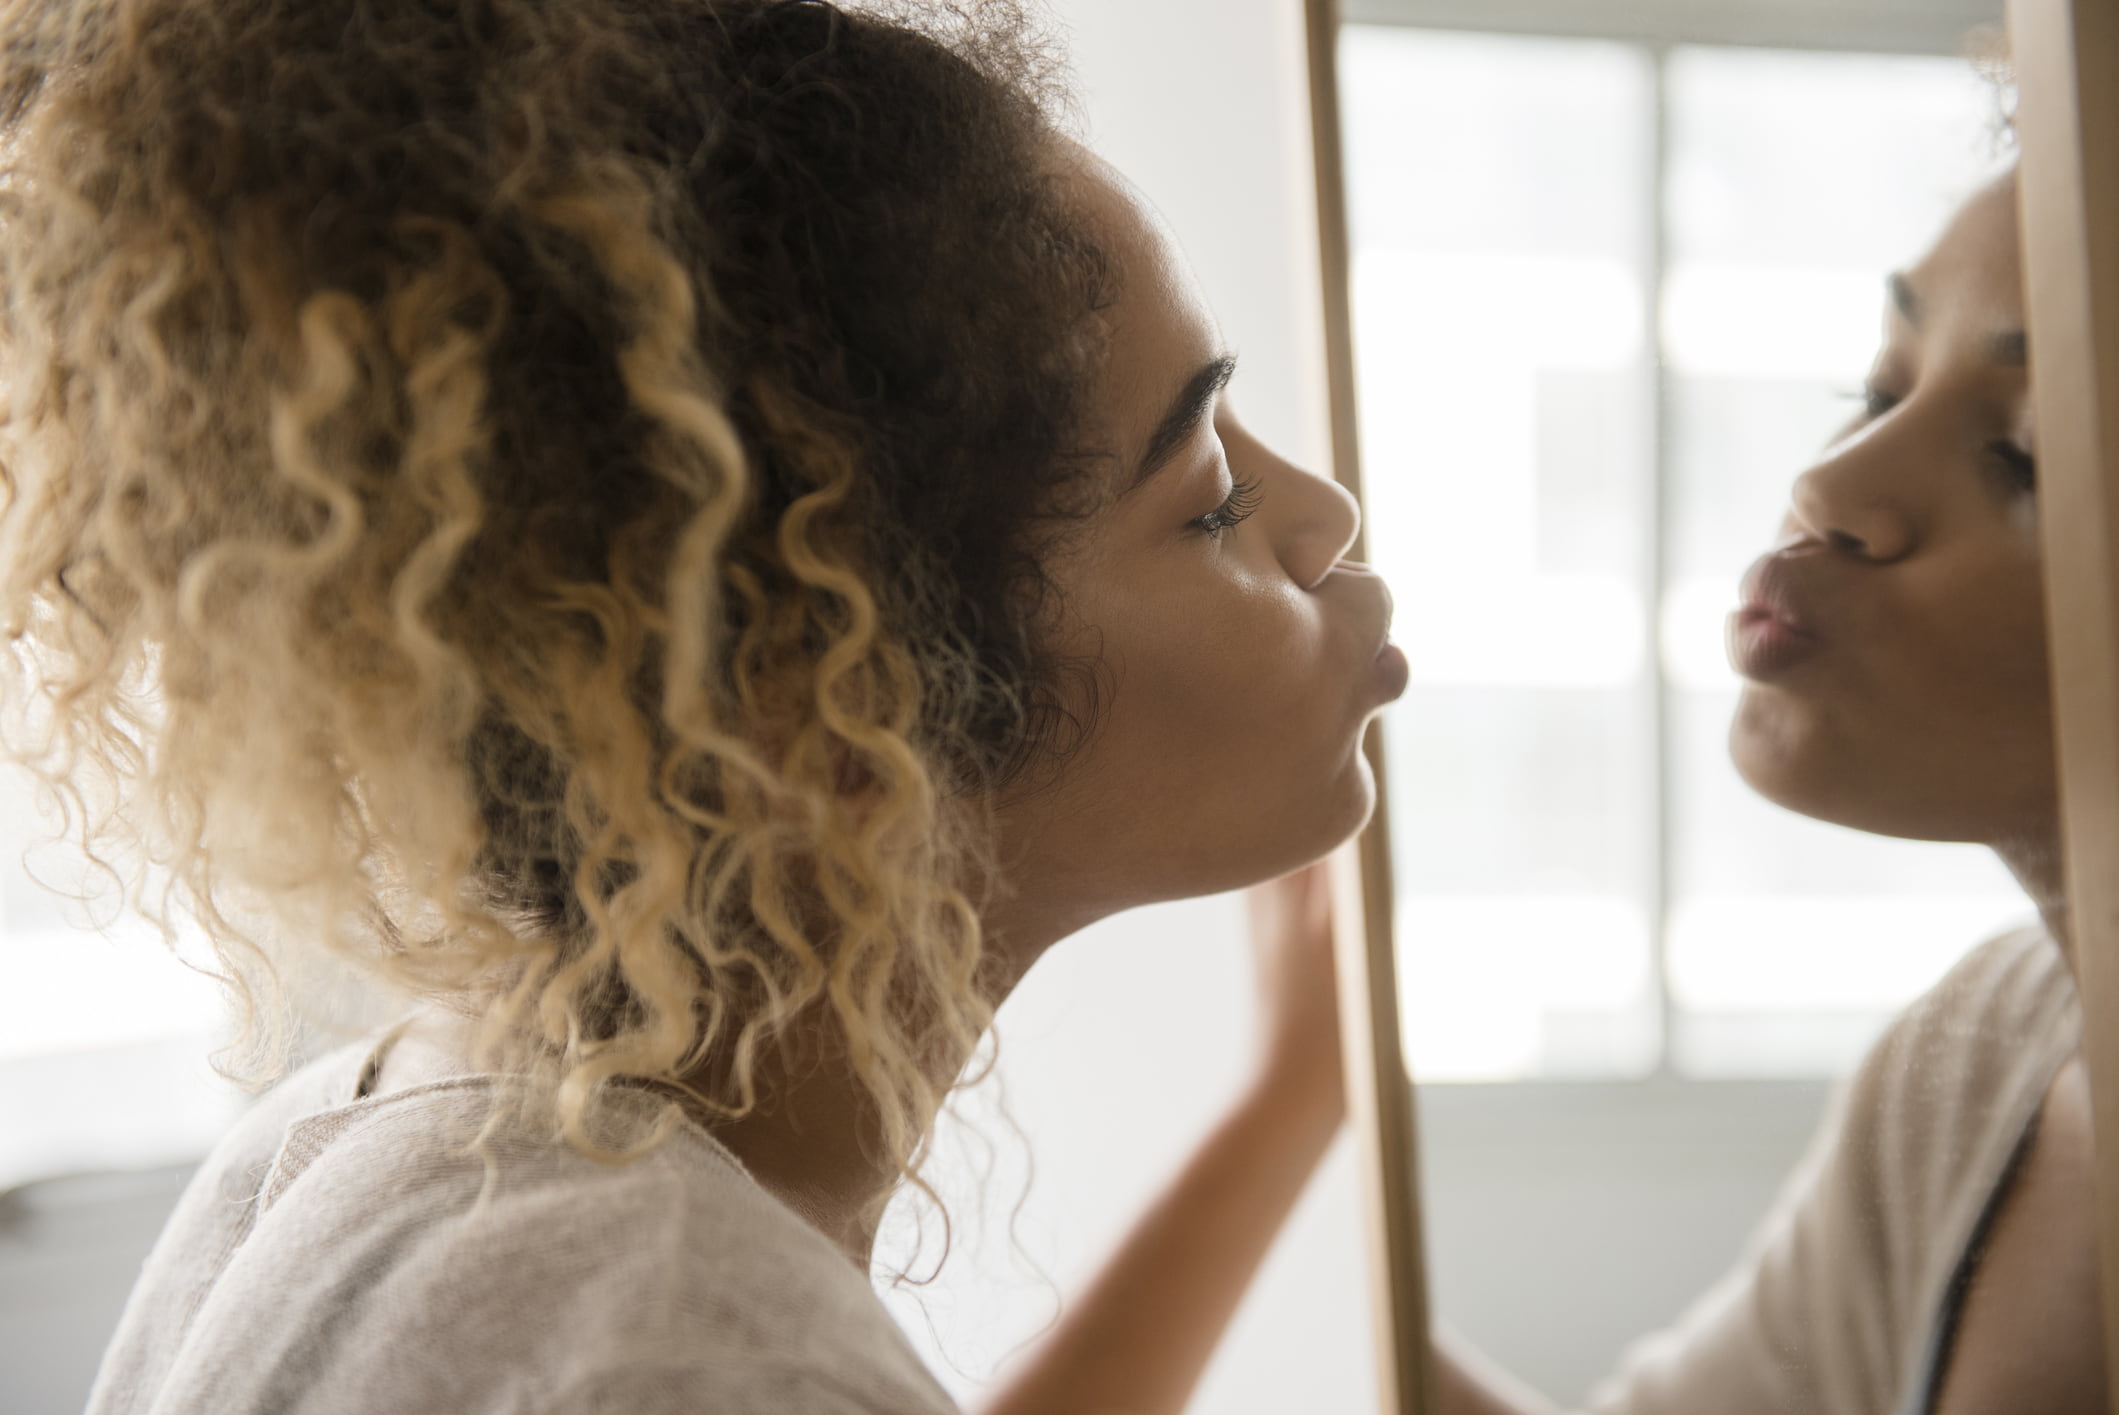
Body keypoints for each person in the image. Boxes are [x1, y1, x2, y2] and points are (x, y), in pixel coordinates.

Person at [0, 2, 1391, 1412]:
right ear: (833, 715)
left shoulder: (389, 1130)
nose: (1322, 515)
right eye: (1206, 497)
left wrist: (1288, 1095)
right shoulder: (699, 1357)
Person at [1418, 164, 2106, 1415]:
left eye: (2021, 454)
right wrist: (1297, 1086)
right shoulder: (1973, 1058)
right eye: (1879, 388)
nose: (1829, 488)